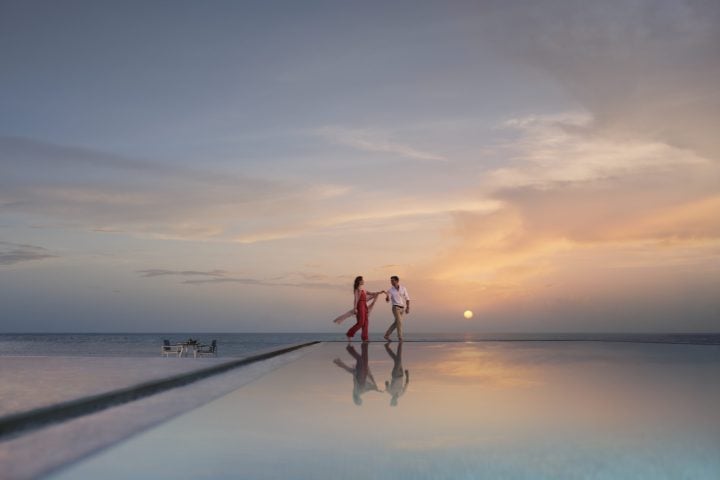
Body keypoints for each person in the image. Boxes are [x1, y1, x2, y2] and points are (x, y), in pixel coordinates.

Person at [344, 276, 383, 342]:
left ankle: (365, 338)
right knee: (361, 322)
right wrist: (355, 308)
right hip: (360, 306)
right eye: (362, 280)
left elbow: (371, 293)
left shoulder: (364, 290)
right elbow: (356, 299)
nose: (363, 281)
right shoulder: (357, 289)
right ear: (359, 281)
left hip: (364, 306)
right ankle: (349, 334)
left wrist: (379, 292)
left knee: (366, 322)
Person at [383, 275, 410, 342]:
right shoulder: (390, 290)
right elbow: (387, 300)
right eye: (391, 281)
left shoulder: (403, 288)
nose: (391, 282)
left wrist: (408, 307)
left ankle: (386, 335)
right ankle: (400, 337)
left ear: (397, 281)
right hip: (395, 307)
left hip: (402, 308)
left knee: (397, 323)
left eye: (393, 280)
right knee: (400, 322)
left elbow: (407, 298)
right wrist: (387, 296)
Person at [384, 342, 409, 406]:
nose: (393, 399)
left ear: (391, 400)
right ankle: (387, 347)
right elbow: (406, 383)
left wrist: (386, 384)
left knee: (398, 359)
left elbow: (386, 383)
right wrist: (407, 374)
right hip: (401, 374)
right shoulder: (401, 394)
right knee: (397, 359)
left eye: (392, 400)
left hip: (395, 374)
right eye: (394, 401)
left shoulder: (390, 392)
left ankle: (400, 343)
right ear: (396, 401)